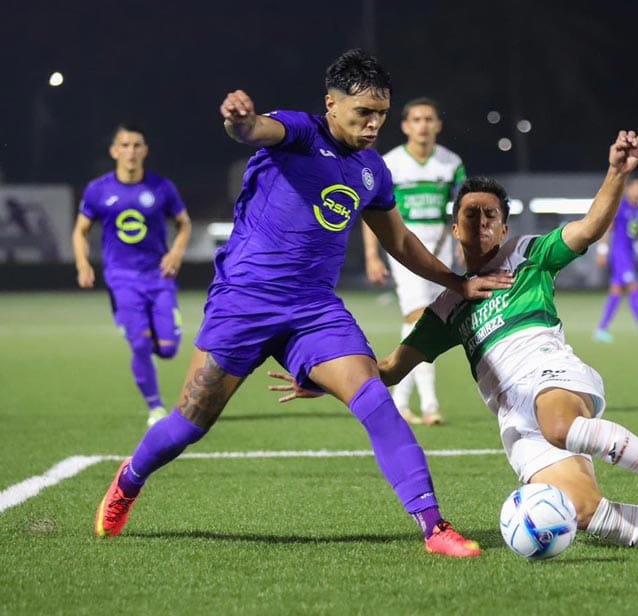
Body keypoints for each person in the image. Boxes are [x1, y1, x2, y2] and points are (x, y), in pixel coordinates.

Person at [93, 49, 514, 558]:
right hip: (244, 302)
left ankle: (433, 526)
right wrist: (240, 120)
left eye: (381, 114)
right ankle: (129, 481)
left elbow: (400, 242)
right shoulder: (299, 132)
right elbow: (253, 130)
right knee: (188, 423)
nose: (374, 124)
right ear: (331, 105)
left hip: (314, 310)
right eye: (363, 112)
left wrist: (457, 283)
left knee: (376, 401)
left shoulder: (373, 169)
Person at [271, 133, 638, 549]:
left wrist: (616, 173)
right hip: (513, 419)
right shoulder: (447, 307)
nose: (481, 222)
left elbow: (589, 229)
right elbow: (389, 370)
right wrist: (326, 376)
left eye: (491, 215)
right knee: (586, 512)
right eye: (471, 214)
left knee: (558, 425)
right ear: (454, 227)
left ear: (504, 227)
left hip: (551, 376)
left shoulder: (529, 255)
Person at [72, 124, 192, 427]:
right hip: (122, 278)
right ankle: (156, 408)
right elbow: (80, 231)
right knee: (140, 345)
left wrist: (176, 252)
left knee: (168, 349)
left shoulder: (161, 187)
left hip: (159, 277)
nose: (131, 151)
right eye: (124, 145)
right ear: (114, 151)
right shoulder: (98, 190)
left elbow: (184, 223)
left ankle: (149, 344)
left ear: (145, 150)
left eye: (137, 145)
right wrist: (83, 264)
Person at [362, 97, 465, 427]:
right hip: (404, 247)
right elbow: (371, 212)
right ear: (406, 126)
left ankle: (400, 402)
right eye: (416, 120)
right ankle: (431, 404)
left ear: (438, 125)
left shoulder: (451, 163)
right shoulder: (391, 163)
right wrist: (372, 255)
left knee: (430, 321)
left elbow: (462, 208)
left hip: (441, 248)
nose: (423, 125)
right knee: (419, 317)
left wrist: (464, 243)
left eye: (429, 119)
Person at [593, 175, 638, 342]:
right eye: (636, 187)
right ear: (628, 189)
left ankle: (601, 329)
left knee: (616, 291)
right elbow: (607, 228)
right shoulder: (620, 207)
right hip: (620, 254)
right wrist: (602, 250)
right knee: (634, 286)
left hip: (629, 255)